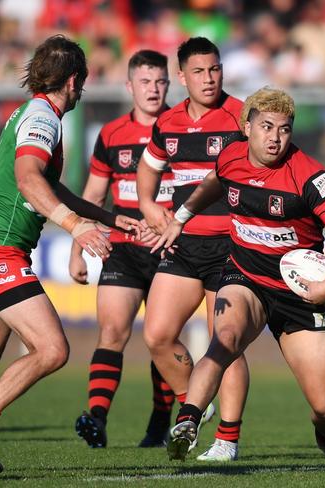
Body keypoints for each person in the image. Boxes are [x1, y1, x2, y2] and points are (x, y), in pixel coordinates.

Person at [0, 35, 139, 474]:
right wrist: (76, 227)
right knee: (52, 349)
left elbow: (51, 186)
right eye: (83, 82)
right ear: (74, 81)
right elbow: (29, 177)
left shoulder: (30, 112)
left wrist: (106, 218)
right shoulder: (43, 117)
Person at [155, 87, 325, 473]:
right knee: (225, 340)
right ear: (247, 126)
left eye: (284, 129)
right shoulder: (231, 156)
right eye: (266, 127)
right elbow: (215, 183)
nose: (275, 137)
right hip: (245, 276)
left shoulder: (310, 175)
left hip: (299, 293)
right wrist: (181, 217)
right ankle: (187, 421)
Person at [136, 37, 249, 462]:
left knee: (226, 344)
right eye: (199, 72)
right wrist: (149, 207)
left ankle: (227, 441)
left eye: (215, 69)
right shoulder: (168, 123)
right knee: (157, 335)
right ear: (181, 77)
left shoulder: (242, 116)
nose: (208, 78)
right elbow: (149, 166)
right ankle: (194, 403)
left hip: (233, 247)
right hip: (184, 246)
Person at [69, 49, 177, 448]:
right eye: (145, 81)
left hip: (171, 251)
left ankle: (160, 421)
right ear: (129, 86)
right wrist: (77, 246)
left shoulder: (181, 129)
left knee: (160, 338)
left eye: (160, 81)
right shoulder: (112, 134)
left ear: (170, 84)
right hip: (124, 249)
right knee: (112, 330)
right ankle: (96, 418)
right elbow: (94, 194)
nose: (153, 89)